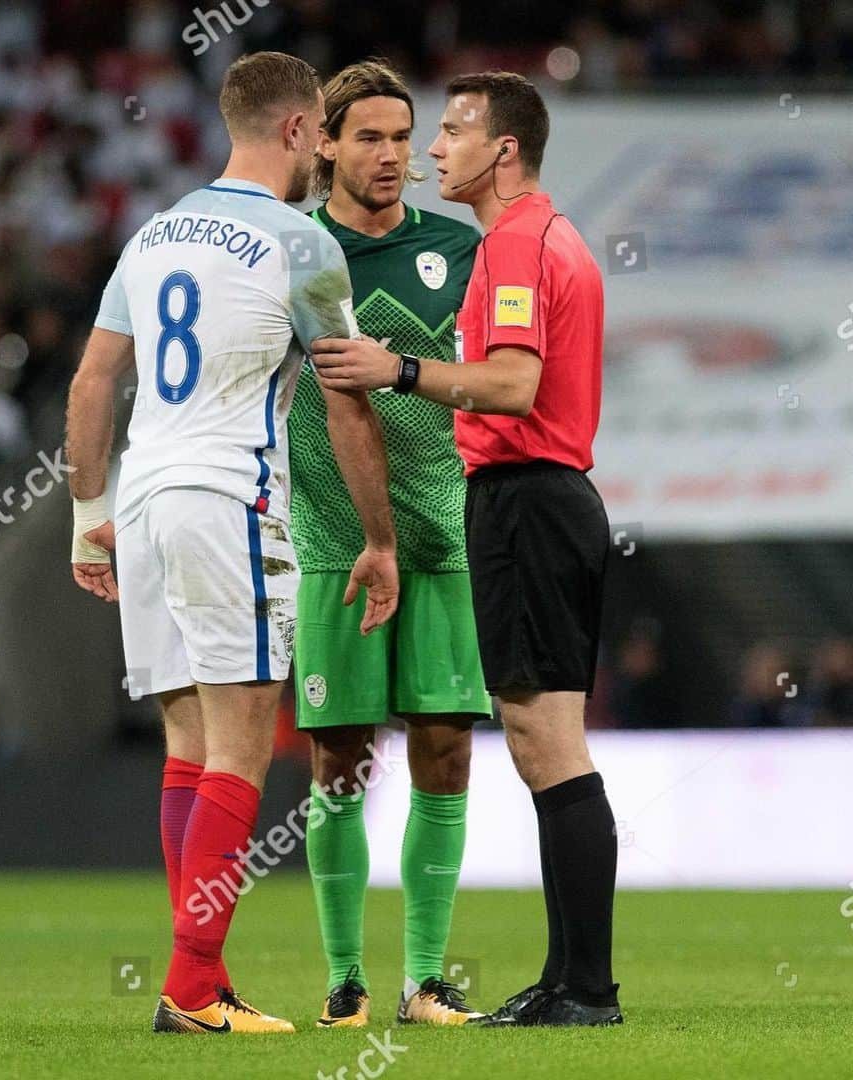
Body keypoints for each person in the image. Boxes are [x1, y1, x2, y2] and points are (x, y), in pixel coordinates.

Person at [65, 51, 399, 1036]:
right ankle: (194, 985)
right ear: (301, 130)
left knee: (189, 742)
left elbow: (90, 386)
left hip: (148, 495)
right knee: (246, 743)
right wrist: (378, 538)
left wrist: (90, 518)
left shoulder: (155, 233)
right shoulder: (302, 245)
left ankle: (194, 976)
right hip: (232, 501)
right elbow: (346, 404)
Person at [311, 70, 621, 1027]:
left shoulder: (519, 243)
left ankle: (584, 987)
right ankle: (570, 980)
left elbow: (513, 387)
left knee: (546, 745)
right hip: (543, 499)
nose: (431, 150)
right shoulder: (535, 235)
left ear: (505, 150)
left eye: (451, 130)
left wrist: (396, 369)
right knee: (544, 744)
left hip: (526, 498)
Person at [289, 59, 491, 1029]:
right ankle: (343, 980)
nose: (390, 155)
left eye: (403, 138)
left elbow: (496, 378)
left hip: (444, 536)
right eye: (368, 136)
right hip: (334, 540)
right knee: (338, 764)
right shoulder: (293, 251)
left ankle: (426, 980)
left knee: (445, 752)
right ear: (324, 143)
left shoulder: (459, 248)